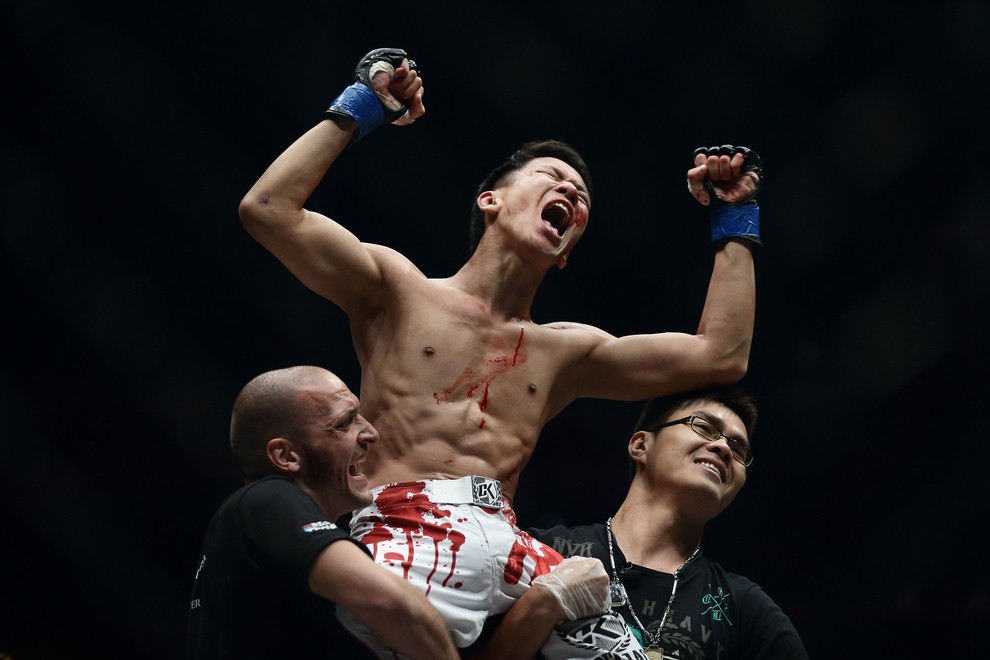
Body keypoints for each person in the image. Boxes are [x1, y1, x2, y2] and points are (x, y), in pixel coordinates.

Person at [238, 46, 762, 655]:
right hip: (404, 524)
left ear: (565, 253)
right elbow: (268, 209)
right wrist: (363, 106)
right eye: (552, 176)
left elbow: (720, 356)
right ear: (490, 200)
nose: (571, 191)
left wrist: (736, 215)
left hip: (510, 545)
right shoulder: (397, 291)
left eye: (582, 199)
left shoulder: (566, 353)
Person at [511, 386, 809, 659]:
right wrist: (543, 602)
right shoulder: (541, 550)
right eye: (703, 427)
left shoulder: (743, 607)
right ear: (641, 445)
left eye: (739, 449)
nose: (724, 448)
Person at [185, 365, 459, 659]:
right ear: (285, 456)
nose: (371, 433)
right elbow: (387, 601)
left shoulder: (251, 535)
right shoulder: (265, 499)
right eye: (345, 423)